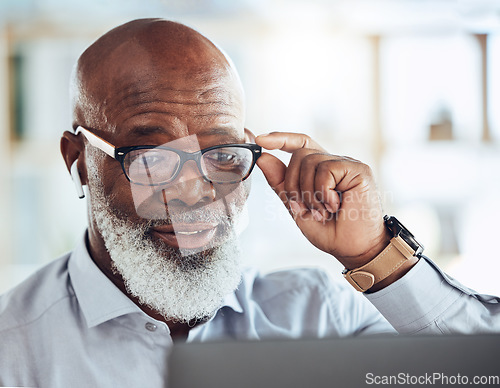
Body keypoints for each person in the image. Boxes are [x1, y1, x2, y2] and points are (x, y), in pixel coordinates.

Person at [0, 18, 499, 387]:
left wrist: (374, 253)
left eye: (221, 154)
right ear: (79, 161)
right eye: (152, 157)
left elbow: (479, 374)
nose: (193, 192)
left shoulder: (318, 316)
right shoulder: (13, 351)